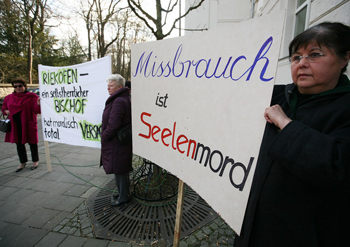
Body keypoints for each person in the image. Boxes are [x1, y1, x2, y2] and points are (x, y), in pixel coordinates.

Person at [234, 22, 350, 246]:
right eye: (296, 57)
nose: (302, 64)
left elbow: (339, 165)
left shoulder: (345, 107)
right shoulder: (274, 94)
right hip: (252, 228)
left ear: (344, 58)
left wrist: (286, 125)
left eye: (314, 55)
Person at [100, 74, 132, 207]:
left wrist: (104, 136)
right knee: (120, 168)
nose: (108, 87)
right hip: (119, 141)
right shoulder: (121, 98)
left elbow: (114, 124)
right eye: (108, 85)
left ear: (119, 87)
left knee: (120, 170)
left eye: (111, 85)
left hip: (117, 141)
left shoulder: (119, 101)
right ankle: (122, 193)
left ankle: (124, 197)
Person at [1, 78, 41, 172]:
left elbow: (36, 110)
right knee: (18, 143)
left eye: (20, 86)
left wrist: (38, 104)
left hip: (28, 122)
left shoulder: (32, 96)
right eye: (15, 86)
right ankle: (22, 162)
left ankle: (35, 161)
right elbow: (4, 108)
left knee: (32, 143)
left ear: (24, 86)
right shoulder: (9, 98)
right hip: (15, 124)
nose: (18, 88)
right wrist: (6, 111)